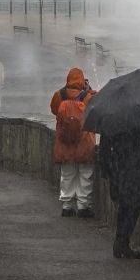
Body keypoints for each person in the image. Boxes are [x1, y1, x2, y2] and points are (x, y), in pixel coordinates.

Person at [98, 122, 140, 259]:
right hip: (135, 167)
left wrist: (106, 170)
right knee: (134, 205)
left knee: (124, 205)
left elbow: (104, 148)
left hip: (118, 168)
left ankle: (121, 242)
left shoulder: (110, 122)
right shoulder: (136, 119)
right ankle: (122, 243)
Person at [50, 67, 97, 218]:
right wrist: (89, 90)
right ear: (82, 80)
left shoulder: (60, 94)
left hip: (65, 142)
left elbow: (54, 109)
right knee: (85, 174)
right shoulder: (87, 96)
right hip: (84, 142)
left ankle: (67, 205)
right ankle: (83, 206)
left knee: (67, 174)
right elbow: (96, 107)